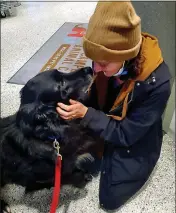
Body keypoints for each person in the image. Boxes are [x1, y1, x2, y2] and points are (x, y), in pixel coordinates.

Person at [56, 1, 172, 211]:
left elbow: (127, 134)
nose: (97, 69)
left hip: (134, 135)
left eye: (104, 63)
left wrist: (87, 115)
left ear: (126, 56)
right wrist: (77, 106)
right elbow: (94, 96)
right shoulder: (105, 63)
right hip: (109, 116)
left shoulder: (158, 82)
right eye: (94, 61)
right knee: (72, 157)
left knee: (109, 200)